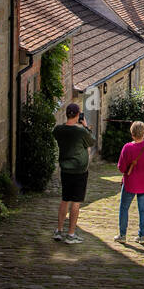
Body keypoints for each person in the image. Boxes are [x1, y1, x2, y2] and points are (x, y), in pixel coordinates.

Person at [52, 103, 95, 244]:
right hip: (79, 170)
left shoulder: (58, 130)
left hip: (65, 168)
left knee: (65, 199)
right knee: (76, 202)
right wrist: (86, 127)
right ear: (77, 115)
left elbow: (57, 134)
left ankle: (59, 230)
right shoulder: (81, 132)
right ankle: (71, 234)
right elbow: (91, 142)